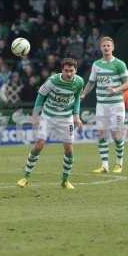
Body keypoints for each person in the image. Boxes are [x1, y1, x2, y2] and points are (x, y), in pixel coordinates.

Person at [17, 58, 84, 189]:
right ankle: (25, 177)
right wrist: (35, 116)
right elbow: (40, 96)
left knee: (69, 149)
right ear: (62, 70)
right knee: (39, 145)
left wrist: (76, 116)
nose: (69, 74)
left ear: (75, 70)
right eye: (66, 71)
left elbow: (77, 99)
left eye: (71, 71)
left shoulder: (79, 82)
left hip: (66, 118)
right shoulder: (53, 81)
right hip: (47, 116)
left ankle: (65, 180)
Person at [81, 36, 128, 173]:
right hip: (101, 105)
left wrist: (115, 90)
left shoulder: (119, 64)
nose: (106, 48)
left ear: (112, 47)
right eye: (104, 46)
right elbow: (91, 82)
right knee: (101, 133)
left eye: (108, 45)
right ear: (100, 48)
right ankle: (104, 165)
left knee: (116, 135)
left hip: (116, 105)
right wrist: (84, 93)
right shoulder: (97, 65)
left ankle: (119, 163)